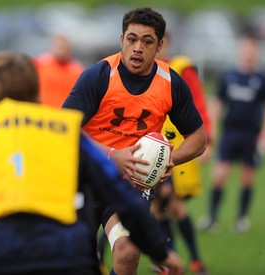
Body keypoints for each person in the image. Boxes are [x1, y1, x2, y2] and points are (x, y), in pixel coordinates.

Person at [0, 51, 184, 275]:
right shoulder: (63, 132)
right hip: (64, 256)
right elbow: (121, 194)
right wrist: (159, 251)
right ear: (35, 89)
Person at [63, 7, 207, 275]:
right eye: (132, 39)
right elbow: (65, 128)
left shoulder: (170, 83)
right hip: (85, 178)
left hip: (131, 185)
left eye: (147, 41)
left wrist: (168, 161)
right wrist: (111, 155)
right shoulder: (98, 76)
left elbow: (199, 139)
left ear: (159, 46)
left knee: (128, 251)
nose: (138, 48)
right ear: (121, 40)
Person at [197, 34, 265, 234]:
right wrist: (211, 129)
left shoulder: (263, 80)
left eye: (252, 51)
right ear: (240, 52)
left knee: (247, 177)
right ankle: (212, 217)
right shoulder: (228, 76)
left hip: (251, 135)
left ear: (256, 54)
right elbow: (216, 104)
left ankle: (241, 219)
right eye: (245, 51)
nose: (248, 55)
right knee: (219, 175)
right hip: (230, 133)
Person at [149, 32, 211, 275]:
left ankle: (191, 259)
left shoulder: (181, 68)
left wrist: (209, 140)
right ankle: (173, 261)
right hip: (152, 147)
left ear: (164, 45)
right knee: (160, 206)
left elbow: (199, 103)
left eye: (154, 42)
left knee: (172, 204)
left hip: (178, 147)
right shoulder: (145, 73)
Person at [33, 33, 84, 108]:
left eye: (63, 47)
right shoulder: (41, 63)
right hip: (43, 112)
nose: (61, 50)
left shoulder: (77, 70)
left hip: (64, 114)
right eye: (58, 47)